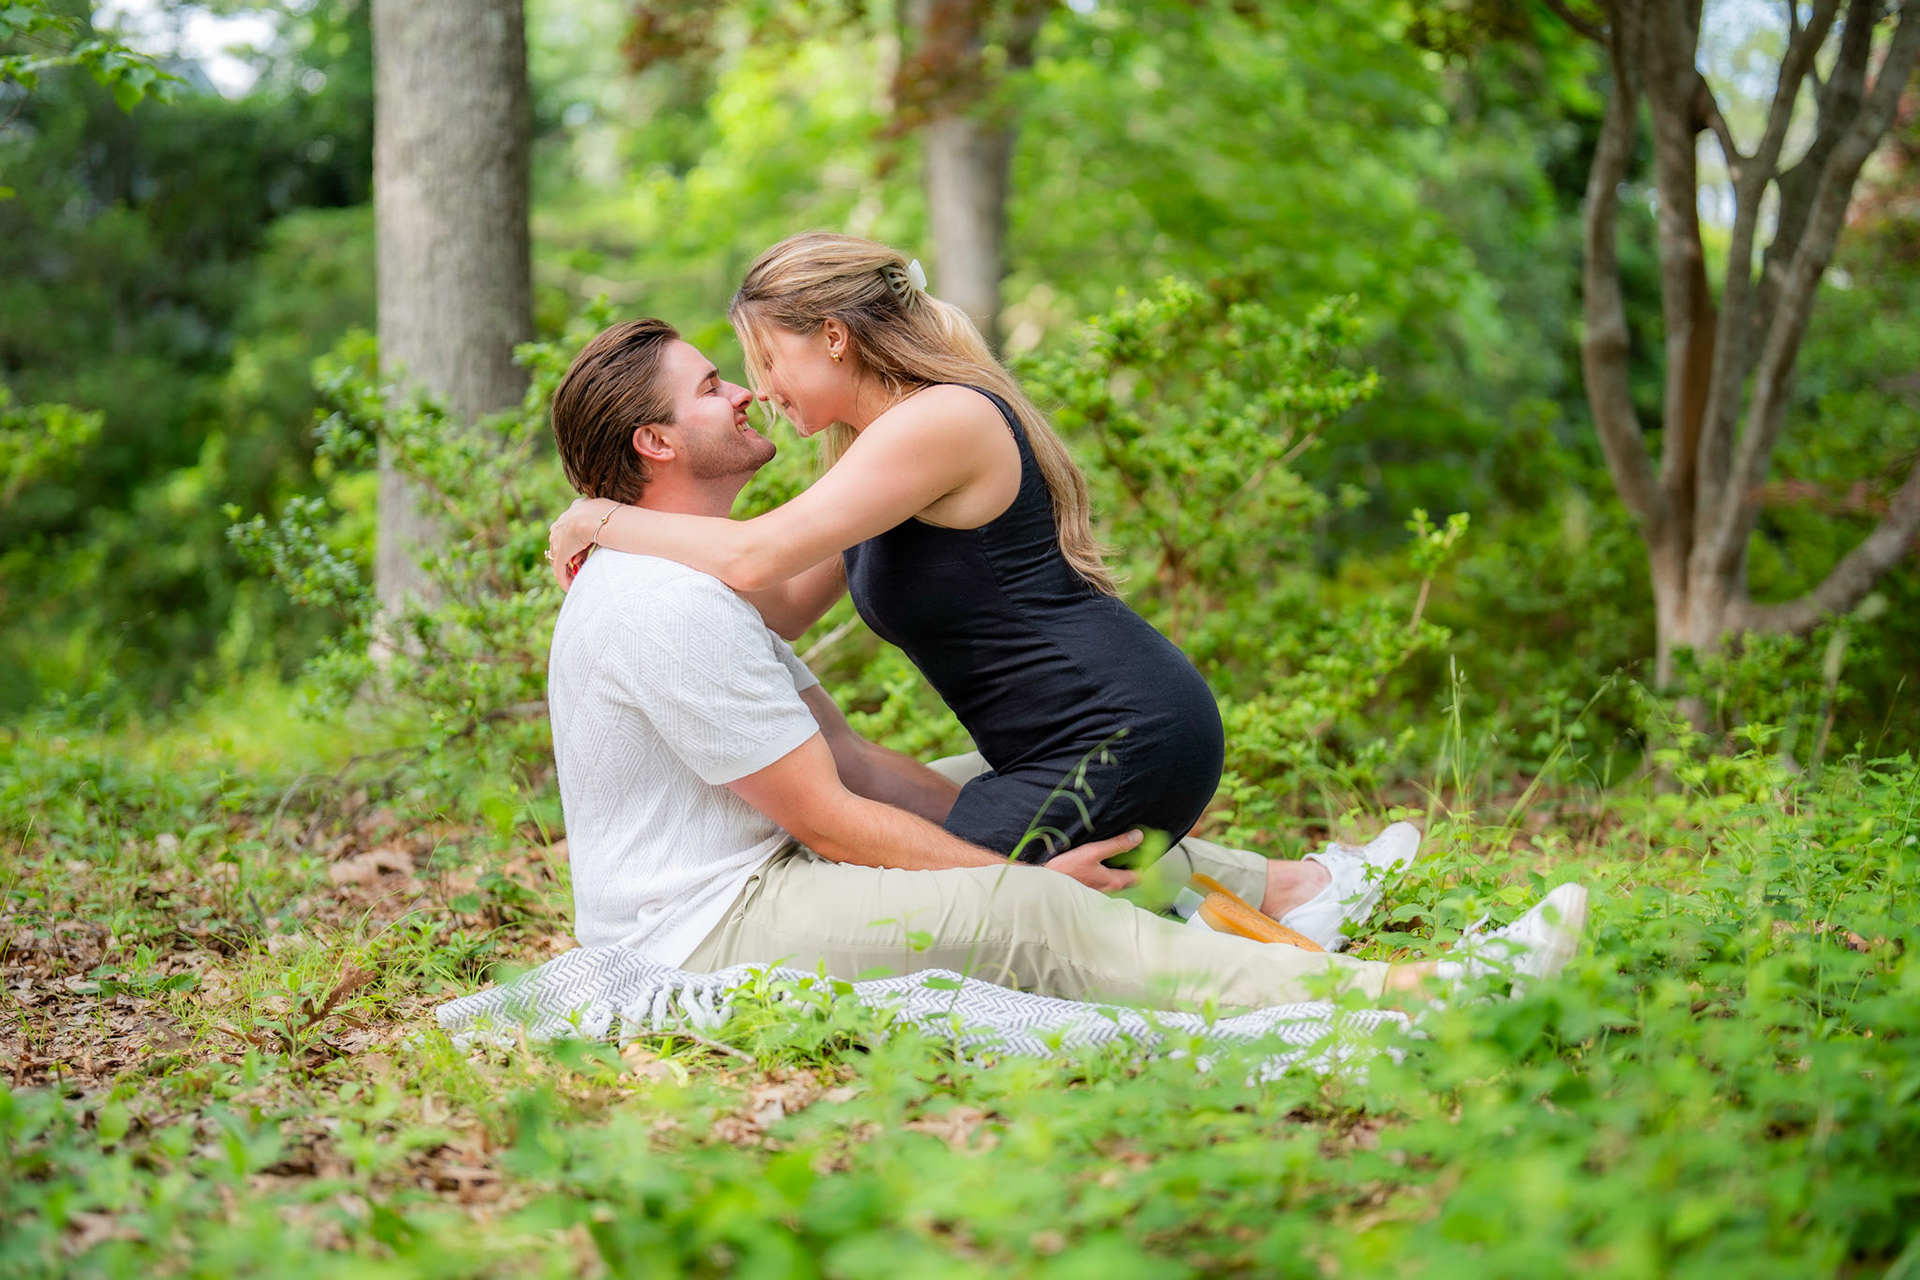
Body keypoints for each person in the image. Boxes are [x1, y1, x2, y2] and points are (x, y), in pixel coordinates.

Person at [541, 316, 1589, 1011]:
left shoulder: (690, 580)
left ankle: (1295, 895)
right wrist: (1023, 881)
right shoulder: (665, 600)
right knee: (1041, 907)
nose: (744, 394)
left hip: (764, 864)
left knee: (1022, 796)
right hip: (708, 921)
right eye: (712, 386)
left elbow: (850, 764)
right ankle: (1414, 996)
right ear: (656, 443)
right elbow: (830, 818)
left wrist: (1018, 839)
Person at [547, 231, 1224, 868]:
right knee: (959, 887)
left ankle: (1243, 921)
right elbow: (786, 604)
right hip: (1061, 746)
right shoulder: (882, 447)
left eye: (769, 360)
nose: (763, 389)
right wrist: (640, 532)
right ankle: (1246, 894)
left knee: (947, 908)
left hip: (1118, 735)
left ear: (833, 338)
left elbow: (753, 556)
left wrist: (601, 519)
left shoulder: (940, 419)